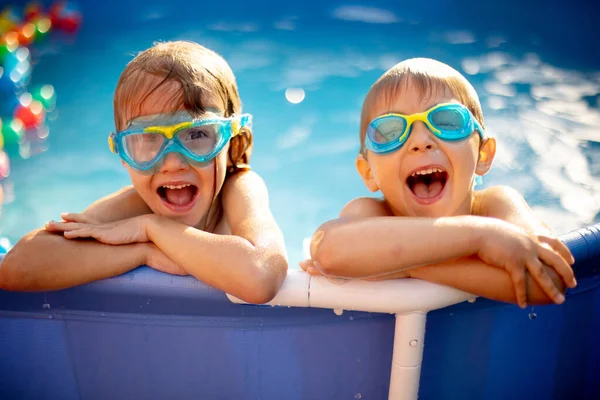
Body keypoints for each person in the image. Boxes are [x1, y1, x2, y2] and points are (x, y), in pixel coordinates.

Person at [0, 41, 287, 304]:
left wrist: (153, 228)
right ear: (124, 157)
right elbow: (16, 268)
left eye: (197, 134)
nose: (173, 162)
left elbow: (262, 276)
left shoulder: (238, 189)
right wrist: (143, 251)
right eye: (148, 139)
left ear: (231, 143)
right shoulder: (134, 204)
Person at [301, 58, 576, 308]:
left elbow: (549, 281)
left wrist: (409, 268)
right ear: (368, 172)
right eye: (390, 130)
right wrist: (479, 238)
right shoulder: (372, 214)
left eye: (446, 121)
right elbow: (328, 251)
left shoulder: (495, 206)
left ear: (483, 154)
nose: (420, 141)